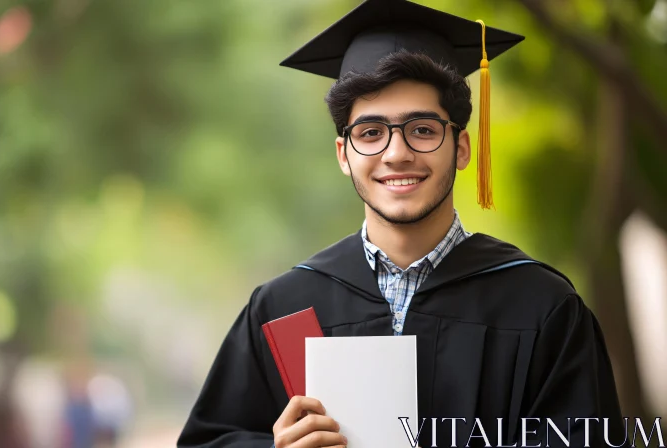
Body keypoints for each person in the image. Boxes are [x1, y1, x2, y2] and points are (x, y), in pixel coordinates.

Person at [177, 1, 624, 447]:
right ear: (343, 155)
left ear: (462, 147)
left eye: (423, 130)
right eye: (370, 133)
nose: (396, 153)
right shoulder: (284, 307)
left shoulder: (542, 307)